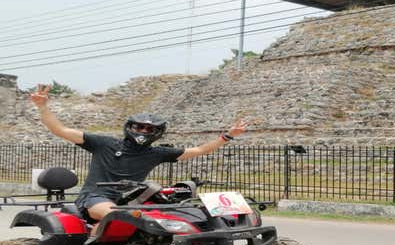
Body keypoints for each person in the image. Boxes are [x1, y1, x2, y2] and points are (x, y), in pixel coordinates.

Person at [29, 84, 247, 227]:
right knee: (117, 215)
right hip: (95, 198)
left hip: (132, 200)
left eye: (149, 129)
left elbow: (198, 151)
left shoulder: (156, 153)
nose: (143, 132)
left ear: (157, 133)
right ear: (129, 127)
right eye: (139, 127)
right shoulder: (104, 143)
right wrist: (42, 107)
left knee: (175, 217)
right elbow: (61, 130)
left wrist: (227, 136)